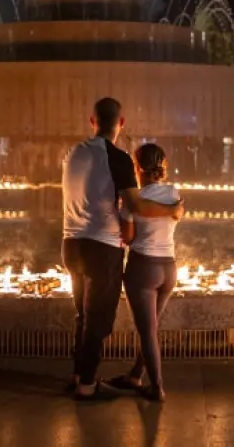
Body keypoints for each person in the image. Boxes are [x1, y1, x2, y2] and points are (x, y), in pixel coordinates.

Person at [62, 98, 183, 401]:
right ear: (121, 123)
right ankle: (88, 386)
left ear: (93, 121)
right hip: (100, 249)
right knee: (98, 319)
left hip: (70, 244)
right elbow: (135, 204)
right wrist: (175, 210)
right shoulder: (117, 157)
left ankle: (78, 373)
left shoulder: (72, 153)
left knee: (82, 315)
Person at [107, 143, 180, 402]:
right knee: (152, 327)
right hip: (169, 268)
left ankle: (157, 387)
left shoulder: (133, 200)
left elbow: (128, 238)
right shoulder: (174, 192)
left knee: (147, 331)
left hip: (143, 268)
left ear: (137, 168)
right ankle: (136, 374)